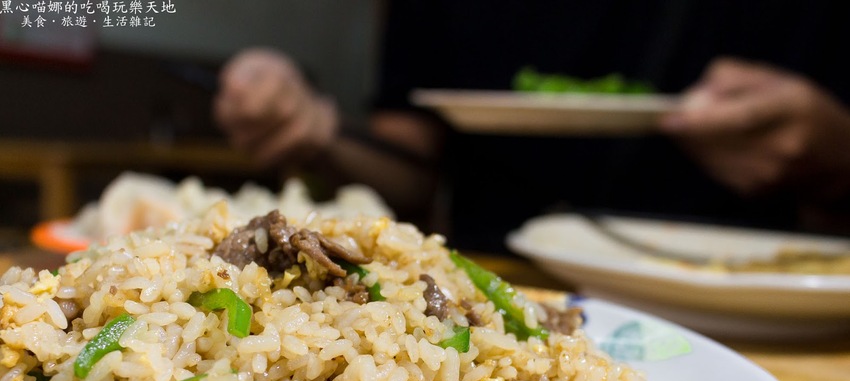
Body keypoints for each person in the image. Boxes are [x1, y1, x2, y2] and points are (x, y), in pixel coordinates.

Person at [213, 1, 850, 254]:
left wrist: (832, 151)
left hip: (760, 289)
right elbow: (410, 175)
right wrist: (318, 129)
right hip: (501, 277)